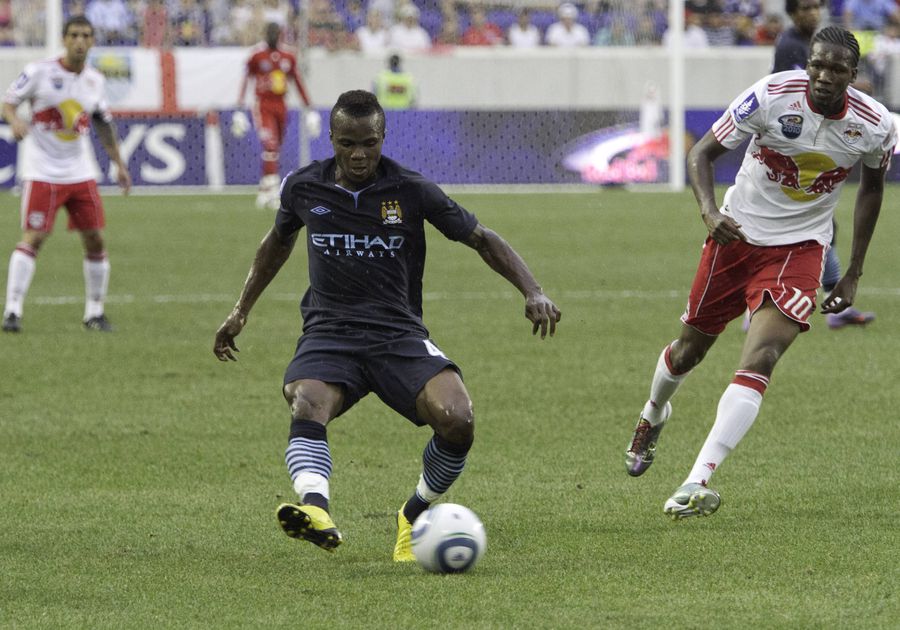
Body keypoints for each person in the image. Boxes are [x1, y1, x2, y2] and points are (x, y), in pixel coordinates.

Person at [213, 90, 561, 558]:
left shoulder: (411, 190)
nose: (359, 154)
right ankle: (315, 509)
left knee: (459, 420)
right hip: (330, 332)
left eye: (369, 143)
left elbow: (480, 238)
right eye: (347, 143)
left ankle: (413, 514)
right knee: (307, 400)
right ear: (332, 139)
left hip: (398, 335)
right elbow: (276, 244)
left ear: (383, 138)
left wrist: (532, 289)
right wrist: (240, 310)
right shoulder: (303, 187)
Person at [624, 27, 894, 519]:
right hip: (735, 238)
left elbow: (872, 190)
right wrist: (709, 212)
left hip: (801, 249)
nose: (823, 76)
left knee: (763, 354)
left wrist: (852, 271)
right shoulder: (769, 95)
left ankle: (695, 481)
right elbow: (701, 153)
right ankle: (652, 413)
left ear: (853, 76)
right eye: (817, 64)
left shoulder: (874, 125)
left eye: (836, 69)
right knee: (688, 351)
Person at [1, 15, 131, 334]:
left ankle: (94, 313)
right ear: (64, 39)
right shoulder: (39, 72)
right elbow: (8, 102)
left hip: (80, 172)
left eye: (86, 35)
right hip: (42, 171)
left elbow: (102, 123)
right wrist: (15, 121)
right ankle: (12, 310)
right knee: (35, 238)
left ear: (93, 41)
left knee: (95, 238)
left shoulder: (94, 81)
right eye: (74, 35)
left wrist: (119, 164)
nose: (79, 41)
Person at [773, 0, 875, 329]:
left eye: (816, 6)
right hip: (789, 147)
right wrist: (855, 89)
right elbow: (797, 92)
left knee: (823, 228)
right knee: (806, 228)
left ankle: (831, 305)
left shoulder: (811, 42)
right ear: (792, 13)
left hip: (805, 147)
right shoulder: (790, 45)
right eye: (804, 7)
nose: (812, 12)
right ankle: (758, 307)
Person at [235, 22, 317, 210]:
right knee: (269, 145)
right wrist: (240, 108)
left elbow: (297, 82)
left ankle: (264, 190)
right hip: (263, 105)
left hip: (281, 105)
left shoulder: (288, 56)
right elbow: (246, 80)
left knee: (275, 148)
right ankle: (273, 193)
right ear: (265, 34)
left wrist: (309, 108)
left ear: (280, 34)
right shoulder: (256, 56)